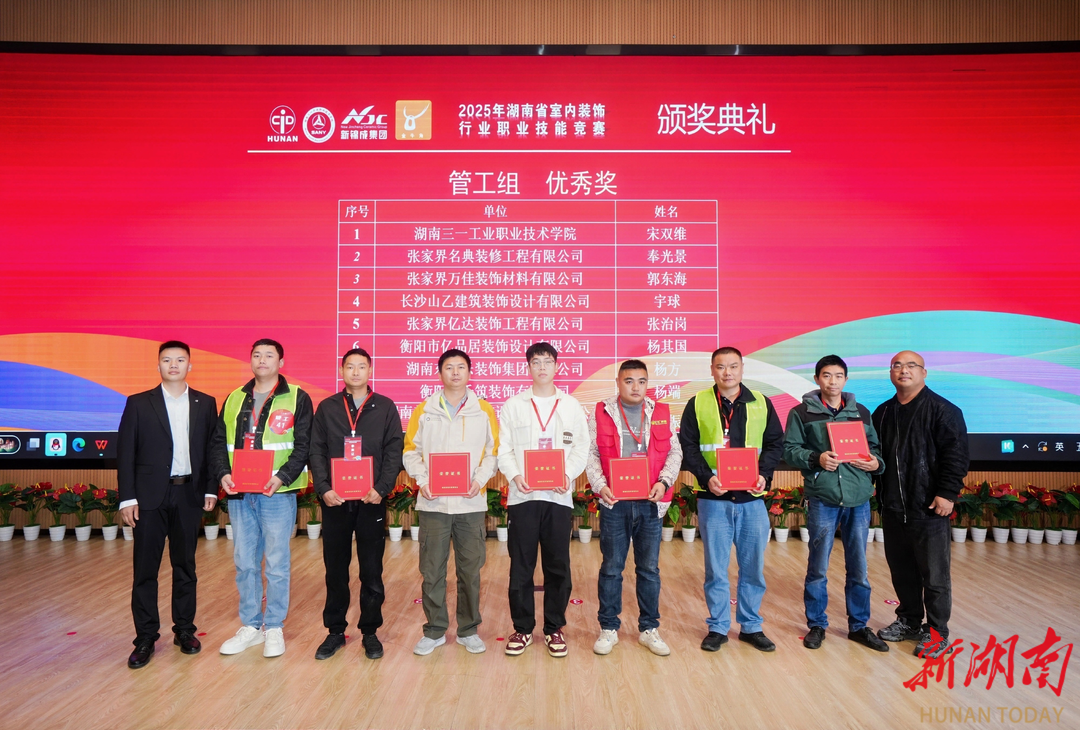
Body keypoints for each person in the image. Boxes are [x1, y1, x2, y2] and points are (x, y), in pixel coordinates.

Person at [209, 338, 313, 658]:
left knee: (277, 563)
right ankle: (251, 626)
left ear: (281, 362)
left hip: (276, 493)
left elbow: (303, 445)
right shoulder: (234, 398)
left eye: (269, 355)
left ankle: (274, 626)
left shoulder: (297, 397)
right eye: (257, 355)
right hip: (240, 493)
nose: (262, 360)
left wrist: (282, 477)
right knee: (245, 562)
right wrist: (223, 474)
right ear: (250, 360)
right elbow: (218, 442)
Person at [117, 340, 218, 669]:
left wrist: (210, 489)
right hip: (148, 498)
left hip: (188, 495)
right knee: (145, 570)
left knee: (185, 567)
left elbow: (212, 450)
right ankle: (145, 637)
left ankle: (184, 630)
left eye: (180, 360)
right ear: (158, 365)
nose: (173, 365)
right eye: (167, 360)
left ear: (190, 365)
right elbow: (126, 453)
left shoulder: (206, 403)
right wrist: (127, 498)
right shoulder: (138, 403)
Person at [679, 347, 784, 653]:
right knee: (716, 569)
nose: (727, 372)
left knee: (753, 568)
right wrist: (705, 478)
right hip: (713, 498)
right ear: (712, 370)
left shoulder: (762, 402)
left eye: (733, 366)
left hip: (752, 499)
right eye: (721, 366)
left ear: (742, 369)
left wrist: (764, 474)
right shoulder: (697, 402)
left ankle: (751, 626)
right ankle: (718, 627)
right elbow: (688, 445)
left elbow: (775, 443)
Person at [782, 355, 889, 653]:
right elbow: (789, 450)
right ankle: (817, 624)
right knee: (818, 566)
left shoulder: (860, 412)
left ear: (846, 379)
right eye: (827, 375)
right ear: (817, 379)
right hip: (823, 498)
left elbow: (876, 450)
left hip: (858, 499)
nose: (832, 381)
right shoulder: (801, 413)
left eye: (838, 376)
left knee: (859, 567)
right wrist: (816, 458)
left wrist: (875, 463)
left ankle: (859, 626)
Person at [872, 351, 969, 659]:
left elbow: (956, 456)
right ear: (890, 373)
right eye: (897, 365)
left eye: (911, 365)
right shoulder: (883, 412)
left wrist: (947, 493)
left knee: (935, 576)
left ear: (924, 373)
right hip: (893, 507)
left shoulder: (943, 410)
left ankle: (937, 632)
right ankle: (909, 621)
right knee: (902, 571)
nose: (904, 370)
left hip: (928, 506)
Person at [402, 349, 499, 656]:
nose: (455, 372)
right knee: (432, 571)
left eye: (461, 367)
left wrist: (479, 480)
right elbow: (410, 451)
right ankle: (434, 630)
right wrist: (423, 480)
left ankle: (468, 629)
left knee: (470, 571)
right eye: (449, 367)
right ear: (439, 373)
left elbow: (493, 453)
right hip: (434, 504)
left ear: (469, 373)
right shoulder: (424, 410)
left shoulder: (484, 410)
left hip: (470, 504)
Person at [309, 348, 403, 661]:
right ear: (342, 371)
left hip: (371, 499)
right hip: (335, 500)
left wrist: (382, 488)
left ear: (370, 370)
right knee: (335, 569)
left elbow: (394, 451)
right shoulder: (327, 407)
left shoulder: (385, 407)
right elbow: (316, 450)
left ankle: (370, 631)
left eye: (362, 366)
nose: (356, 372)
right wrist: (323, 488)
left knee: (371, 570)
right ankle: (335, 631)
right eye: (350, 366)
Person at [497, 342, 589, 657]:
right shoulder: (513, 405)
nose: (542, 367)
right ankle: (522, 629)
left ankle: (554, 628)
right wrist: (515, 476)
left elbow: (581, 447)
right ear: (528, 367)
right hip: (523, 496)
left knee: (558, 565)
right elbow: (504, 449)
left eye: (547, 362)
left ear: (557, 366)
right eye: (536, 362)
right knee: (521, 566)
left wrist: (568, 474)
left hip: (558, 497)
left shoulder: (571, 406)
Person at [585, 359, 682, 656]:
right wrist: (600, 485)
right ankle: (608, 627)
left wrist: (664, 482)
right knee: (612, 568)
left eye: (641, 381)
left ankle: (649, 628)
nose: (635, 387)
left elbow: (675, 452)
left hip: (650, 503)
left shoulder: (661, 412)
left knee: (649, 569)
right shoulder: (601, 412)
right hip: (614, 502)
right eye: (629, 381)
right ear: (618, 382)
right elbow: (590, 453)